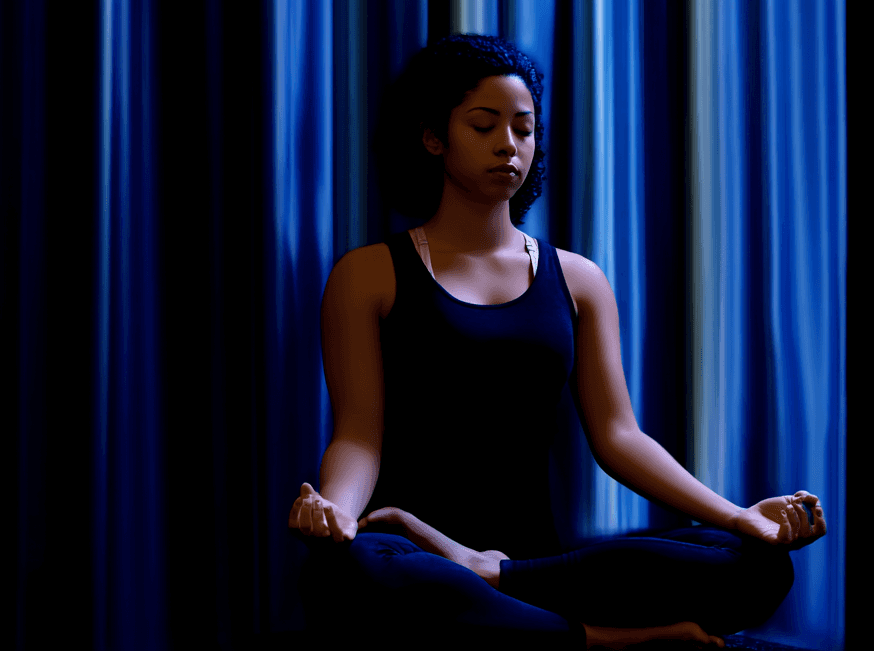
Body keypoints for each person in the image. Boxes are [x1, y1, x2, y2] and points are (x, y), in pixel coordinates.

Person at [288, 34, 826, 649]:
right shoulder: (370, 273)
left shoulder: (578, 279)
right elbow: (358, 434)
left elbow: (619, 437)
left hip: (540, 567)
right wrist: (335, 511)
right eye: (483, 126)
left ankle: (501, 581)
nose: (507, 146)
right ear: (434, 137)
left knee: (755, 563)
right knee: (350, 573)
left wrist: (738, 515)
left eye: (523, 128)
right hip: (410, 552)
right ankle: (609, 642)